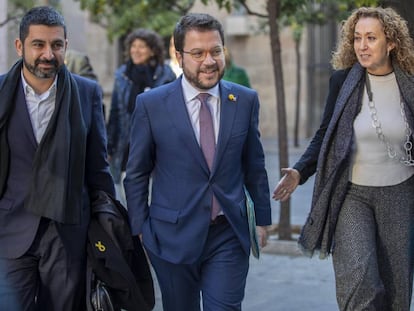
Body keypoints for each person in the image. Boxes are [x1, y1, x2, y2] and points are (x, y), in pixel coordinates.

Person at [124, 13, 271, 311]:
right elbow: (137, 172)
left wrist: (263, 220)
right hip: (170, 238)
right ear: (179, 56)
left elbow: (254, 165)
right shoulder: (151, 104)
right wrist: (140, 228)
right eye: (198, 53)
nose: (209, 60)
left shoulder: (244, 100)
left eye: (216, 51)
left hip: (227, 233)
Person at [273, 6, 414, 310]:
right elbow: (326, 134)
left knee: (396, 290)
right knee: (358, 280)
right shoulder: (343, 83)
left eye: (371, 38)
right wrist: (300, 171)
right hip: (353, 194)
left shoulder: (410, 85)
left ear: (391, 43)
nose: (362, 45)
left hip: (400, 194)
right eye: (357, 38)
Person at [0, 6, 115, 311]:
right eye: (38, 44)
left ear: (65, 45)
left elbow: (98, 167)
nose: (48, 54)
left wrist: (110, 224)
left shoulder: (87, 93)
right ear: (20, 46)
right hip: (9, 231)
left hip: (67, 232)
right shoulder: (0, 92)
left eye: (57, 45)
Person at [107, 28, 176, 205]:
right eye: (133, 46)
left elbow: (173, 114)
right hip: (128, 146)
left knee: (154, 199)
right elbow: (115, 112)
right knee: (125, 197)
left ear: (152, 50)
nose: (136, 50)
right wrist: (109, 147)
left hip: (157, 149)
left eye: (142, 47)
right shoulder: (122, 75)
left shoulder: (165, 75)